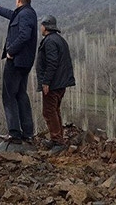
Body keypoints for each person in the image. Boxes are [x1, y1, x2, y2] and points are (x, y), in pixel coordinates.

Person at [0, 0, 37, 144]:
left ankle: (15, 132)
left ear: (18, 0)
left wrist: (11, 51)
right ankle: (27, 132)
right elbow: (12, 15)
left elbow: (24, 35)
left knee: (9, 96)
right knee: (20, 94)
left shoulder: (25, 15)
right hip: (23, 62)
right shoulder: (26, 12)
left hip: (17, 61)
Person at [36, 15, 75, 154]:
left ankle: (58, 142)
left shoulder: (50, 41)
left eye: (41, 25)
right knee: (55, 110)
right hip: (61, 83)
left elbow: (52, 63)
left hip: (53, 84)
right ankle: (56, 139)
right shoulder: (60, 40)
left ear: (46, 27)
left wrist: (46, 81)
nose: (40, 28)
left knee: (48, 111)